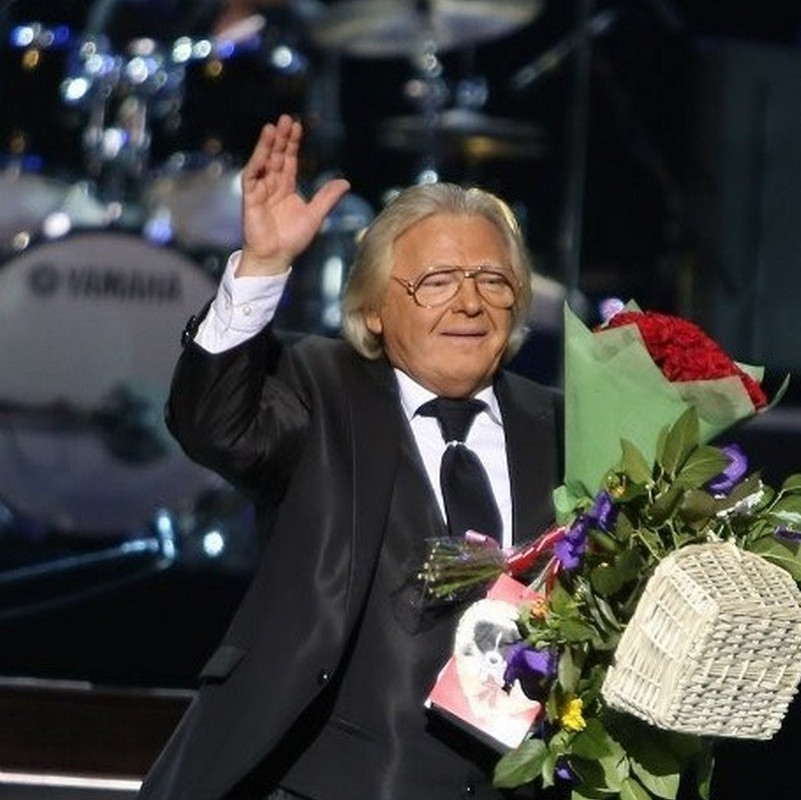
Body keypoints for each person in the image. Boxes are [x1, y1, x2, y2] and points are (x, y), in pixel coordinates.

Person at [136, 113, 564, 799]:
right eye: (437, 281)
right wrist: (264, 265)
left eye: (493, 280)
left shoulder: (561, 425)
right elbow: (212, 424)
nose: (470, 302)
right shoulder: (321, 388)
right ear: (373, 310)